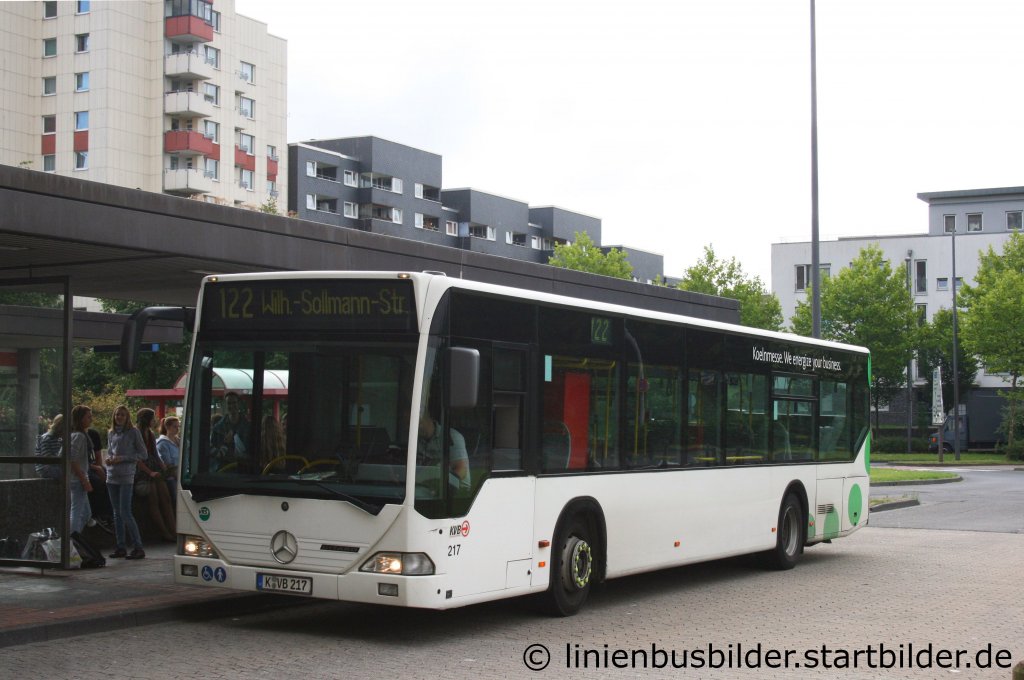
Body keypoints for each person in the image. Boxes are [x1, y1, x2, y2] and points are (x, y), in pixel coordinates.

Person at [105, 405, 147, 560]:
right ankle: (120, 546)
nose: (119, 417)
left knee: (125, 511)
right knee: (116, 513)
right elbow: (110, 451)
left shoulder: (133, 432)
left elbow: (143, 454)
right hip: (112, 475)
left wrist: (122, 458)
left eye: (122, 415)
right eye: (117, 415)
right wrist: (109, 460)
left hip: (126, 475)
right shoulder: (111, 433)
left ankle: (138, 546)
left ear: (127, 417)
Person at [135, 408, 176, 542]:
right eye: (153, 418)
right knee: (154, 501)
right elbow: (137, 457)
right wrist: (150, 472)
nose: (155, 421)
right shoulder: (137, 433)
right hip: (145, 470)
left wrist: (163, 468)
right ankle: (165, 532)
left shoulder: (150, 434)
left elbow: (155, 455)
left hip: (154, 466)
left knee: (166, 499)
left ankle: (173, 529)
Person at [417, 415, 471, 491]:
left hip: (456, 490)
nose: (408, 427)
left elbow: (461, 469)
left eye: (419, 423)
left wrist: (441, 485)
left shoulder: (451, 436)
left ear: (428, 419)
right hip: (428, 487)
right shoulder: (417, 440)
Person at [68, 405, 94, 534]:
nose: (91, 419)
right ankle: (72, 541)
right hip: (78, 479)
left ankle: (75, 539)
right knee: (77, 513)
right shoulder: (79, 436)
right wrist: (84, 480)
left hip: (75, 478)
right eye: (88, 417)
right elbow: (72, 459)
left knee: (86, 514)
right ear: (81, 419)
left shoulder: (73, 435)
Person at [210, 391, 251, 469]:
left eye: (234, 403)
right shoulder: (218, 428)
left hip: (244, 469)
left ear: (239, 404)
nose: (232, 406)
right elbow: (214, 454)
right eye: (229, 403)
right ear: (225, 405)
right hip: (224, 469)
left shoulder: (248, 426)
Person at [156, 416, 181, 503]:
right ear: (167, 427)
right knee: (175, 500)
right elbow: (168, 464)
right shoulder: (163, 443)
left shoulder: (179, 441)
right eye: (175, 426)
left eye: (178, 426)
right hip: (172, 477)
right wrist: (178, 478)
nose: (177, 429)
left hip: (181, 475)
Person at [34, 414, 64, 480]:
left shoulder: (59, 438)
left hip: (55, 466)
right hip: (45, 468)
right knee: (70, 474)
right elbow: (47, 458)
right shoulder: (47, 438)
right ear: (59, 426)